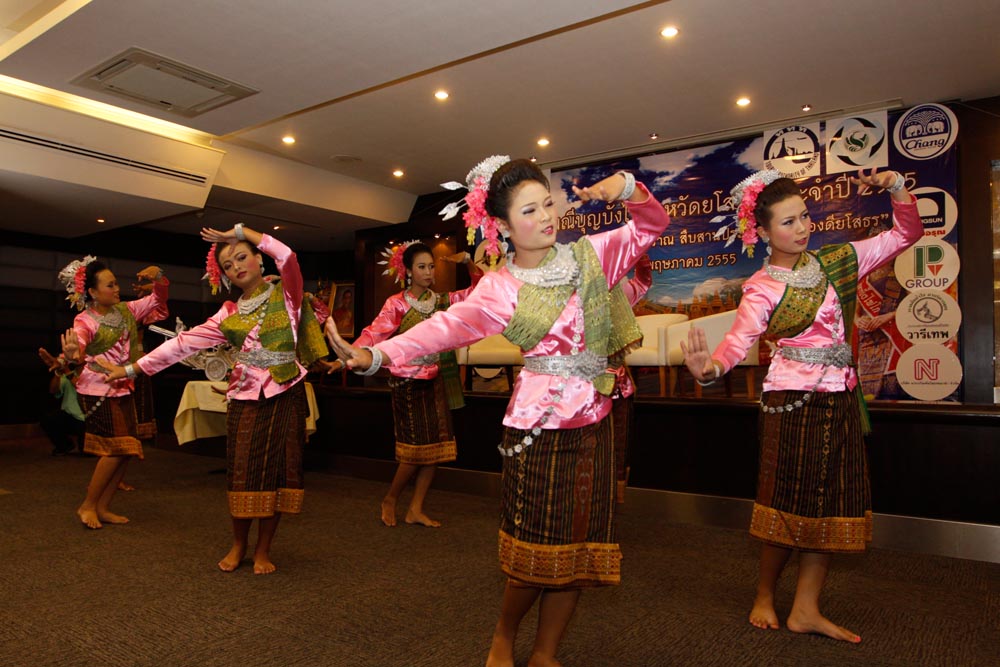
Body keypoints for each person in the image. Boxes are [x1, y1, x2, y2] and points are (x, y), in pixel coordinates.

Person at [325, 157, 669, 667]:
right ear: (504, 226)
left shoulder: (590, 257)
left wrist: (628, 187)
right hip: (540, 427)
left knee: (581, 546)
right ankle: (505, 636)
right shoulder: (499, 288)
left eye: (548, 203)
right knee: (536, 547)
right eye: (531, 210)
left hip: (597, 419)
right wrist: (377, 354)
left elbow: (652, 223)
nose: (547, 216)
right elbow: (442, 329)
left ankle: (547, 652)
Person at [681, 167, 921, 643]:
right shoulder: (761, 287)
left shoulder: (837, 259)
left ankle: (806, 608)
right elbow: (738, 340)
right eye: (788, 222)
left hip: (841, 396)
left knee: (832, 505)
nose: (803, 227)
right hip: (792, 399)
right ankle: (766, 595)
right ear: (764, 232)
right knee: (786, 503)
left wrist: (896, 186)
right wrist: (710, 370)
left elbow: (906, 233)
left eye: (805, 216)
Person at [99, 224, 328, 574]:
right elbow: (182, 344)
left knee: (280, 472)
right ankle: (238, 545)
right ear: (224, 277)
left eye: (242, 256)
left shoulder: (288, 294)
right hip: (243, 396)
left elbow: (288, 256)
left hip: (286, 393)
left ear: (258, 259)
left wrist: (239, 231)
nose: (237, 265)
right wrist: (131, 370)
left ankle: (264, 550)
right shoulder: (227, 313)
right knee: (242, 473)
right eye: (228, 264)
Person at [356, 241, 483, 527]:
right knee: (414, 450)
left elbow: (478, 294)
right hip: (406, 382)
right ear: (409, 271)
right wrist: (352, 355)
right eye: (422, 267)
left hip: (437, 379)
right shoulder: (397, 303)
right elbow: (374, 333)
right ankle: (390, 498)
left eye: (431, 266)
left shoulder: (441, 301)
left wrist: (467, 263)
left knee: (436, 448)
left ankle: (416, 508)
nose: (428, 272)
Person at [58, 258, 168, 529]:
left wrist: (160, 278)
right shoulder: (84, 319)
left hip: (123, 387)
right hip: (98, 390)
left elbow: (157, 300)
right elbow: (80, 341)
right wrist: (75, 353)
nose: (117, 289)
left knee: (126, 450)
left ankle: (103, 507)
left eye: (116, 283)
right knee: (116, 449)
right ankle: (87, 505)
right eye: (110, 285)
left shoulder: (127, 310)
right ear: (93, 293)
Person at [610, 254, 652, 503]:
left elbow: (643, 282)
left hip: (618, 384)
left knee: (618, 442)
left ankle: (613, 495)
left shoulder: (622, 289)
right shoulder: (575, 293)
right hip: (582, 388)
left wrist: (641, 256)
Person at [37, 348, 85, 455]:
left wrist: (65, 368)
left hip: (87, 419)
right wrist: (58, 373)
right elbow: (53, 390)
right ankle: (65, 445)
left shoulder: (91, 375)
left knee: (86, 452)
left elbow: (79, 386)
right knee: (48, 420)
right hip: (70, 416)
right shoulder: (68, 374)